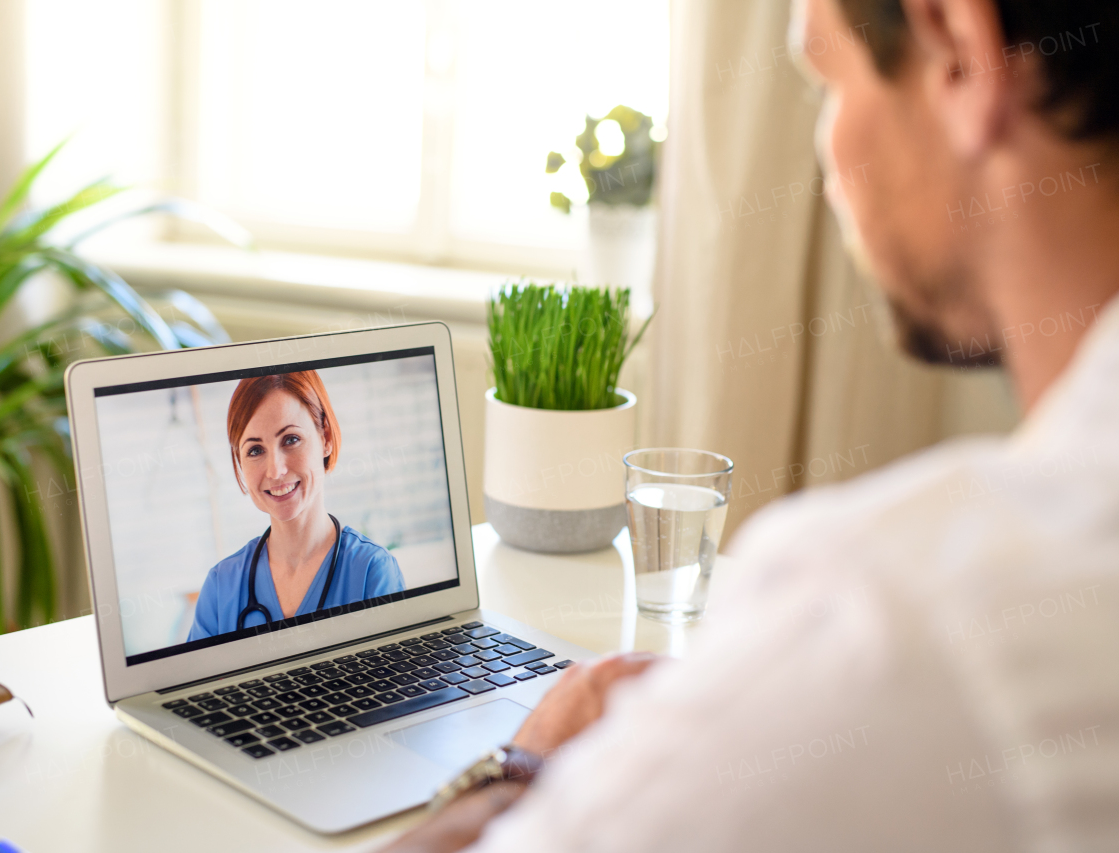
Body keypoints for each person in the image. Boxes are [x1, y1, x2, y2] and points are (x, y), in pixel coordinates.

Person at [384, 0, 1119, 849]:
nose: (829, 155)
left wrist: (520, 762)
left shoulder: (893, 619)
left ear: (958, 48)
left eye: (827, 83)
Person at [188, 371, 404, 640]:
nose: (275, 470)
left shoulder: (371, 572)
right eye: (255, 450)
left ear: (325, 437)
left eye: (290, 440)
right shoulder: (221, 587)